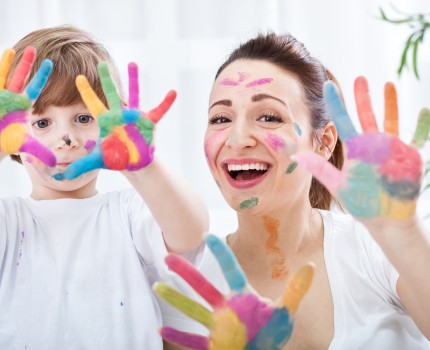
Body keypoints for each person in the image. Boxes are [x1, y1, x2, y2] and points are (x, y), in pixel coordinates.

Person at [159, 32, 430, 349]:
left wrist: (399, 230)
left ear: (324, 142)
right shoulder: (191, 288)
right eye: (220, 118)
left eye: (269, 117)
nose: (237, 138)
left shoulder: (374, 249)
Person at [0, 25, 208, 349]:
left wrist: (145, 167)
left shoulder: (127, 212)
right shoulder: (9, 221)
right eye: (42, 123)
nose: (65, 139)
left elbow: (191, 233)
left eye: (83, 119)